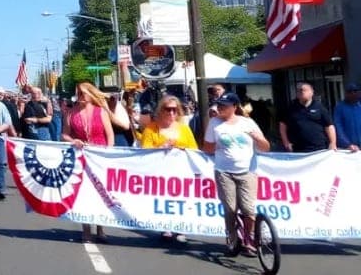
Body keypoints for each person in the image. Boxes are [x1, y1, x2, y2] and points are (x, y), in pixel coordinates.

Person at [203, 92, 270, 256]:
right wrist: (215, 145)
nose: (220, 108)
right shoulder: (214, 123)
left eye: (224, 106)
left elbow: (265, 147)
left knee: (248, 209)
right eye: (218, 105)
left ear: (234, 107)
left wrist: (257, 138)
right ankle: (232, 237)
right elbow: (207, 148)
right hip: (224, 172)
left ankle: (249, 238)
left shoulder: (248, 123)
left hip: (247, 172)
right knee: (231, 208)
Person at [138, 95, 198, 242]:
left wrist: (182, 149)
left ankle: (181, 227)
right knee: (164, 199)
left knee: (182, 199)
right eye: (168, 109)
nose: (171, 113)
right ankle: (166, 226)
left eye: (175, 110)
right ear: (161, 110)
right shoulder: (151, 128)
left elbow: (194, 149)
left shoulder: (184, 129)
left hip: (181, 171)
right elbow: (144, 151)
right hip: (160, 172)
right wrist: (160, 148)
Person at [62, 82, 114, 244]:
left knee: (100, 192)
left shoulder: (101, 112)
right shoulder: (71, 113)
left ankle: (100, 228)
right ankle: (86, 230)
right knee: (84, 193)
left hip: (99, 156)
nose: (80, 97)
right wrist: (73, 140)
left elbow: (110, 135)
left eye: (83, 94)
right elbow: (64, 134)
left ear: (91, 94)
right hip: (81, 156)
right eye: (78, 94)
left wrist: (108, 151)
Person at [279, 81, 337, 152]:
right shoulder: (290, 108)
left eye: (304, 90)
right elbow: (282, 125)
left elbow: (329, 126)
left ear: (312, 92)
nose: (301, 92)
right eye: (299, 90)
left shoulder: (320, 107)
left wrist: (333, 143)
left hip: (319, 149)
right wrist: (286, 142)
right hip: (298, 150)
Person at [333, 83, 361, 151]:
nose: (353, 93)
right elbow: (338, 127)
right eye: (350, 92)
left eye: (355, 91)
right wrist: (347, 144)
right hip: (348, 148)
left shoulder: (359, 106)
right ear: (346, 93)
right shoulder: (339, 107)